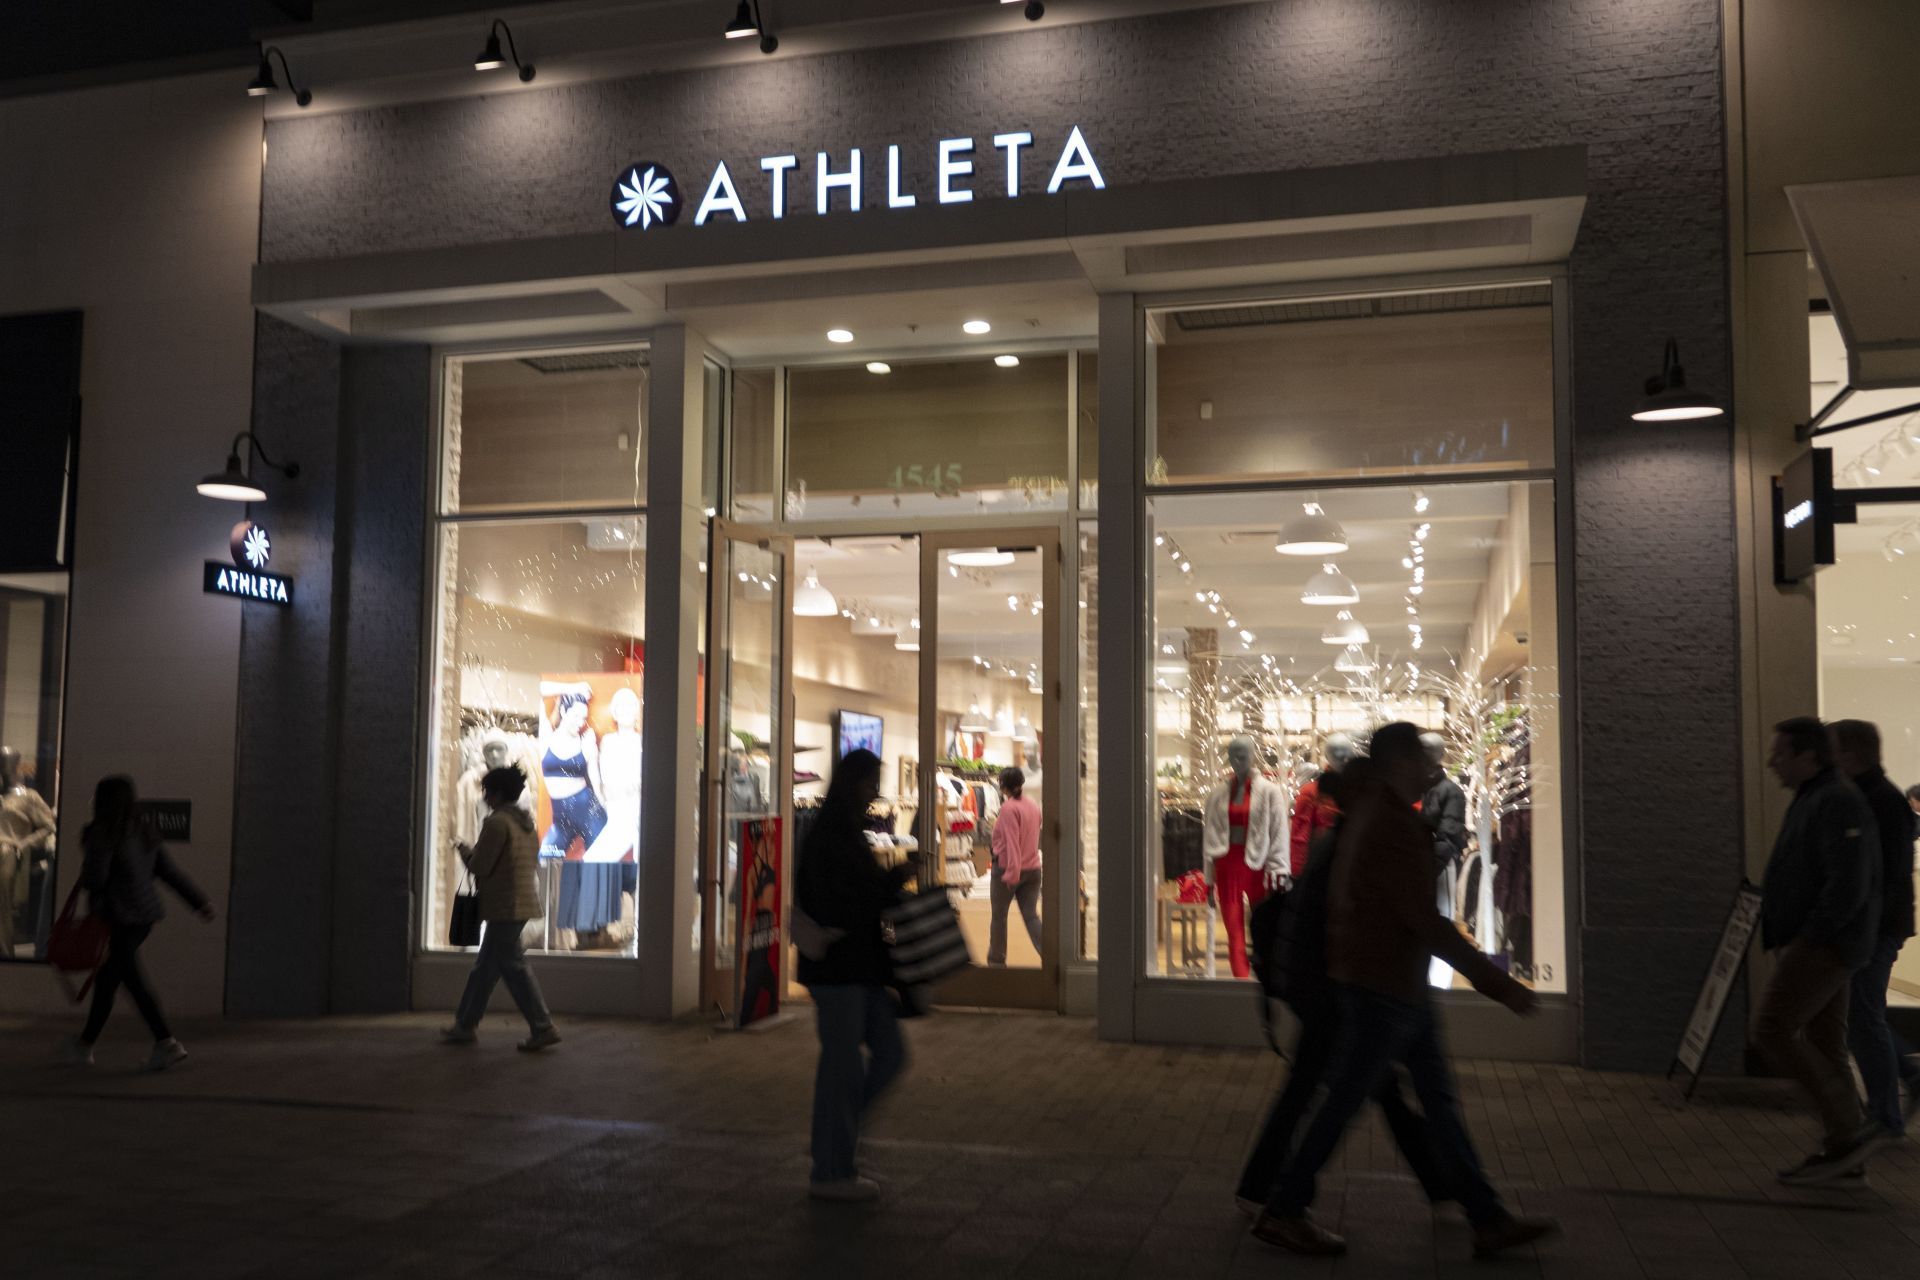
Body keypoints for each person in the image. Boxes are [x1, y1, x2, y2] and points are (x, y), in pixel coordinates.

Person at [1253, 723, 1552, 1259]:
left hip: (1390, 985)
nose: (1428, 771)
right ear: (1396, 763)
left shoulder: (1372, 814)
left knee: (1425, 1101)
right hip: (1383, 988)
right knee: (1350, 1102)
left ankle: (1486, 1216)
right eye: (1418, 760)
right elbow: (1422, 920)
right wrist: (1498, 984)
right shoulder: (1389, 825)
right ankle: (1285, 1207)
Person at [1235, 758, 1452, 1215]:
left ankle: (1264, 1186)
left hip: (1325, 988)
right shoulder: (1349, 844)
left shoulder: (1336, 840)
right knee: (1352, 1092)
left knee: (1352, 1089)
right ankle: (1281, 1196)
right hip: (1335, 992)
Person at [1752, 716, 1883, 1184]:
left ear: (1809, 756)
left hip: (1825, 943)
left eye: (1781, 753)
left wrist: (1809, 936)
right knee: (1826, 1044)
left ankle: (1851, 1131)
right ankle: (1845, 1154)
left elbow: (1847, 883)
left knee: (1771, 1028)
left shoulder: (1834, 800)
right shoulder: (1819, 797)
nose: (1772, 762)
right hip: (1820, 940)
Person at [796, 748, 912, 1202]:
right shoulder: (831, 835)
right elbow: (840, 900)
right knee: (845, 1068)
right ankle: (831, 1168)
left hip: (855, 967)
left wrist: (892, 879)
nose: (874, 794)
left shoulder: (844, 831)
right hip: (840, 968)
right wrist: (890, 884)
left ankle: (834, 1137)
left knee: (886, 1055)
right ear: (851, 783)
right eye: (869, 783)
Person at [59, 776, 214, 1070]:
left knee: (132, 981)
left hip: (116, 918)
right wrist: (199, 902)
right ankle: (84, 1045)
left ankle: (166, 1042)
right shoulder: (143, 831)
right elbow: (169, 872)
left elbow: (96, 879)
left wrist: (89, 856)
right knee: (108, 982)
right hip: (143, 917)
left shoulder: (103, 833)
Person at [1829, 721, 1920, 1140]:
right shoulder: (1871, 797)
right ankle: (1902, 1084)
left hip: (1876, 927)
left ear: (1849, 753)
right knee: (1862, 1013)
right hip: (1875, 925)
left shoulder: (1878, 801)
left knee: (1862, 1014)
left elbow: (1882, 873)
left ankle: (1886, 1114)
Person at [441, 766, 561, 1051]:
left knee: (513, 968)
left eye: (487, 791)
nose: (484, 796)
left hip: (503, 905)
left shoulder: (496, 824)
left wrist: (464, 850)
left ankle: (542, 1026)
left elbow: (481, 865)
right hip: (521, 902)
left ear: (496, 794)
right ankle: (465, 1024)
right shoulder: (527, 825)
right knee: (485, 969)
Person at [988, 766, 1042, 965]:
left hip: (1009, 869)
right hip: (1033, 868)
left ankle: (996, 962)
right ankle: (1051, 956)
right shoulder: (1032, 805)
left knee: (999, 916)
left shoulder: (1009, 808)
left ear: (1003, 786)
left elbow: (1011, 842)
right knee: (1031, 917)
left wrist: (1012, 873)